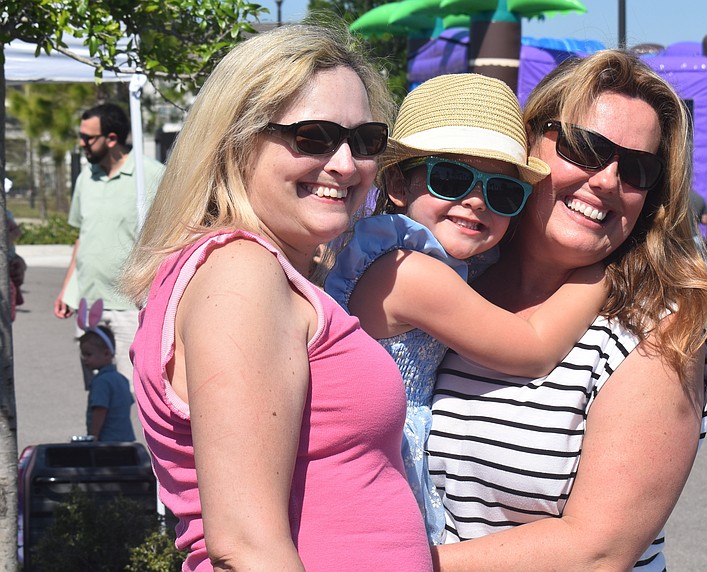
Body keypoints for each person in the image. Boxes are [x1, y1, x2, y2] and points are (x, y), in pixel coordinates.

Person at [120, 23, 431, 571]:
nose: (344, 163)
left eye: (364, 141)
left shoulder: (263, 274)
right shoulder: (241, 273)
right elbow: (245, 546)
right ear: (236, 140)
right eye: (313, 136)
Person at [427, 50, 707, 571]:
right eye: (585, 148)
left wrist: (395, 562)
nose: (607, 180)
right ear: (529, 147)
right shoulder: (454, 279)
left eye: (636, 169)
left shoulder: (657, 328)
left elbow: (597, 552)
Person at [325, 73, 607, 545]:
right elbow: (532, 348)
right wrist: (601, 274)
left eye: (503, 193)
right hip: (378, 466)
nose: (476, 200)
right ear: (396, 182)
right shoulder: (410, 273)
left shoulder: (425, 258)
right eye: (451, 178)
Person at [54, 102, 165, 387]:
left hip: (131, 307)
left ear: (112, 138)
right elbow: (83, 238)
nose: (81, 144)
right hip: (89, 305)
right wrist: (69, 291)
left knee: (131, 395)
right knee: (97, 394)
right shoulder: (85, 180)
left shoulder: (150, 176)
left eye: (88, 138)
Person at [77, 322, 136, 442]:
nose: (85, 359)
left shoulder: (101, 382)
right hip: (126, 440)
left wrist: (94, 436)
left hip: (107, 442)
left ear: (106, 354)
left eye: (88, 354)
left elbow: (100, 410)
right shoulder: (121, 379)